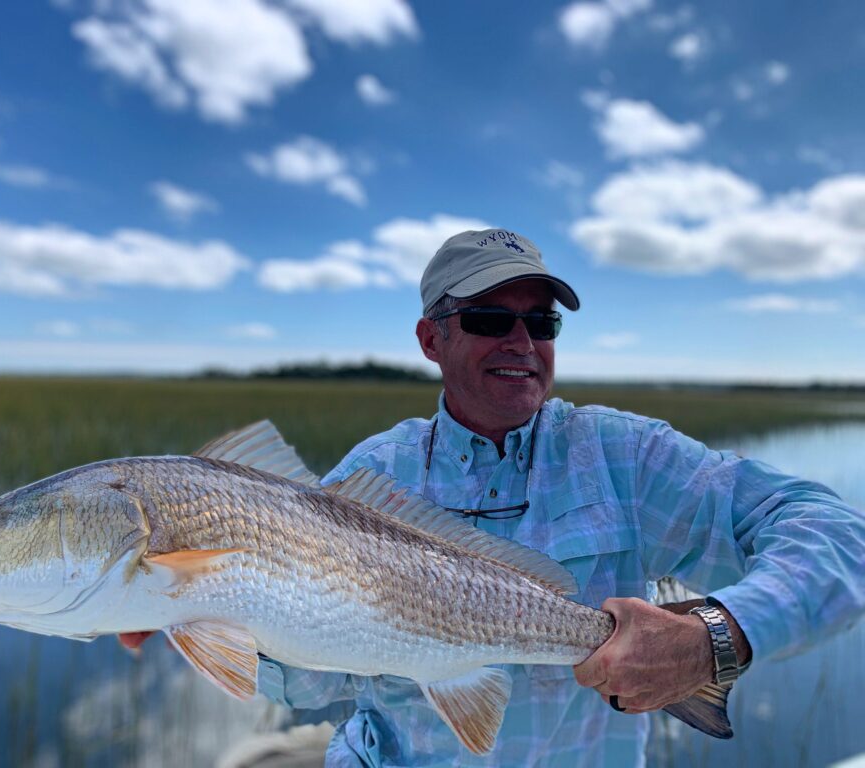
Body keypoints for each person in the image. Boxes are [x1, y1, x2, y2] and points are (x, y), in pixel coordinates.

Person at [122, 228, 865, 767]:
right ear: (430, 339)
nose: (521, 340)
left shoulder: (626, 455)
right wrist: (208, 612)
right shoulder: (373, 471)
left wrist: (715, 636)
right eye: (487, 318)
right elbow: (318, 676)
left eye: (541, 322)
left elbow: (838, 533)